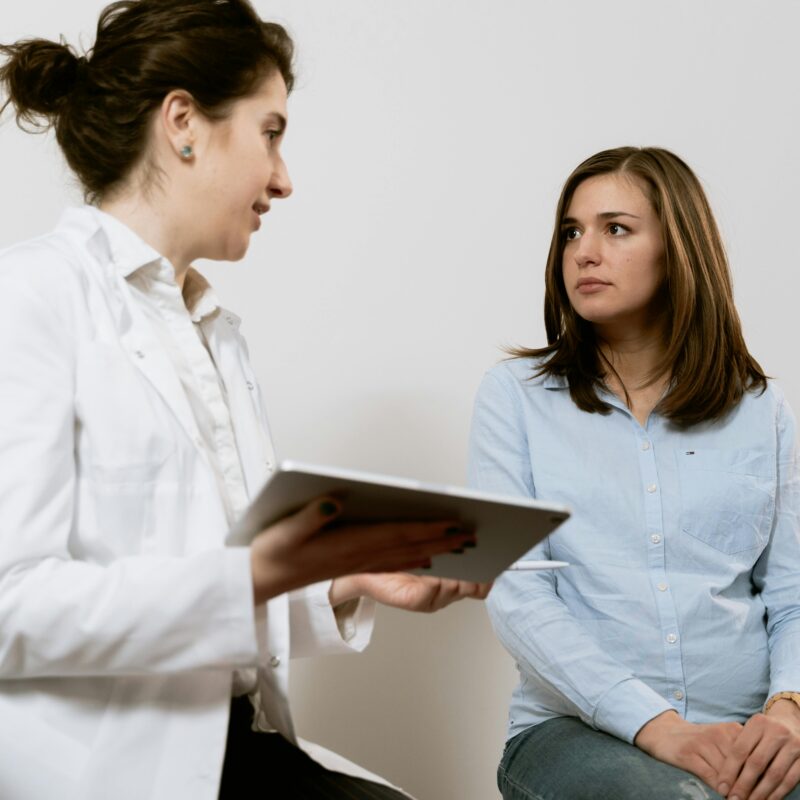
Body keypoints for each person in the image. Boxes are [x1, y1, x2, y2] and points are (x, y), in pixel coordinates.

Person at [0, 2, 490, 798]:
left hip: (232, 748)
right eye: (271, 132)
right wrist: (258, 571)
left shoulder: (216, 334)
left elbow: (222, 613)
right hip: (105, 771)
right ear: (184, 122)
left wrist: (346, 577)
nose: (285, 178)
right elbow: (11, 605)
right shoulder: (30, 297)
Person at [468, 146, 800, 800]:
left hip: (750, 727)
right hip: (576, 733)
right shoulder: (514, 397)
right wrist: (660, 726)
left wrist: (788, 710)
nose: (583, 252)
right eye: (571, 232)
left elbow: (792, 592)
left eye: (615, 228)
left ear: (678, 248)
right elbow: (517, 595)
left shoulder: (761, 410)